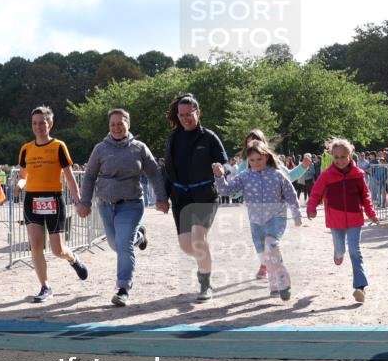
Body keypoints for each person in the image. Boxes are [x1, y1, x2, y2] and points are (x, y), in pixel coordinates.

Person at [77, 108, 168, 306]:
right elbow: (90, 176)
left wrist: (161, 198)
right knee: (115, 245)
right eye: (113, 124)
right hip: (106, 206)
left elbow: (154, 173)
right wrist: (84, 202)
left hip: (131, 204)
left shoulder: (139, 148)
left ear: (128, 124)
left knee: (124, 245)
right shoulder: (100, 149)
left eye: (120, 123)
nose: (116, 128)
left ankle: (123, 288)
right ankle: (140, 236)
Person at [12, 106, 88, 302]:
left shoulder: (58, 146)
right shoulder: (26, 149)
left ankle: (73, 259)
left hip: (53, 199)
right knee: (36, 245)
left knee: (57, 250)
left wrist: (78, 201)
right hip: (32, 201)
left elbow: (69, 178)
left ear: (50, 124)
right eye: (34, 123)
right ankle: (45, 287)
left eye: (42, 123)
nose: (38, 127)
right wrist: (19, 186)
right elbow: (23, 176)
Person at [162, 93, 227, 301]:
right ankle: (205, 259)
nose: (185, 118)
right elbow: (168, 170)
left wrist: (221, 170)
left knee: (198, 240)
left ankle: (205, 284)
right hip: (181, 197)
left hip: (205, 195)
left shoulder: (209, 137)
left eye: (188, 114)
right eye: (181, 115)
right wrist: (163, 196)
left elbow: (224, 163)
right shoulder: (173, 138)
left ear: (198, 113)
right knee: (186, 246)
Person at [306, 138, 378, 303]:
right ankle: (338, 253)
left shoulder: (358, 174)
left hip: (355, 218)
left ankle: (360, 287)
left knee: (355, 251)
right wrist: (311, 208)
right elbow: (316, 193)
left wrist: (371, 213)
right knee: (341, 251)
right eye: (336, 157)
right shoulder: (326, 175)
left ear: (350, 155)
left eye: (343, 157)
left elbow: (366, 196)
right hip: (335, 219)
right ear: (332, 156)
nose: (340, 160)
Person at [234, 130, 311, 278]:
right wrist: (232, 192)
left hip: (275, 212)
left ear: (264, 144)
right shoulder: (244, 165)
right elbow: (237, 187)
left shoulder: (274, 162)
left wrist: (303, 167)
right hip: (255, 213)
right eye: (250, 142)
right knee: (259, 242)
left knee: (271, 240)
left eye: (257, 140)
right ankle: (264, 263)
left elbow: (288, 177)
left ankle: (273, 269)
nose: (253, 143)